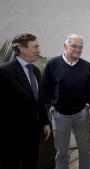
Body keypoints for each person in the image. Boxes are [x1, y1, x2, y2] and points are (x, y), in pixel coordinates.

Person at [0, 33, 51, 169]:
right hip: (12, 135)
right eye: (35, 47)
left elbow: (40, 100)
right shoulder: (4, 72)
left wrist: (45, 122)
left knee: (31, 164)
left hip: (34, 133)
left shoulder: (35, 71)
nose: (39, 50)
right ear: (22, 49)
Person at [43, 34, 90, 169]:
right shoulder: (52, 65)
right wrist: (51, 107)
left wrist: (88, 104)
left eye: (81, 47)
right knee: (61, 153)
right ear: (65, 46)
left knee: (85, 152)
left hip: (81, 114)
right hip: (59, 115)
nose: (78, 49)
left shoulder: (87, 66)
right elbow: (44, 90)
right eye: (74, 46)